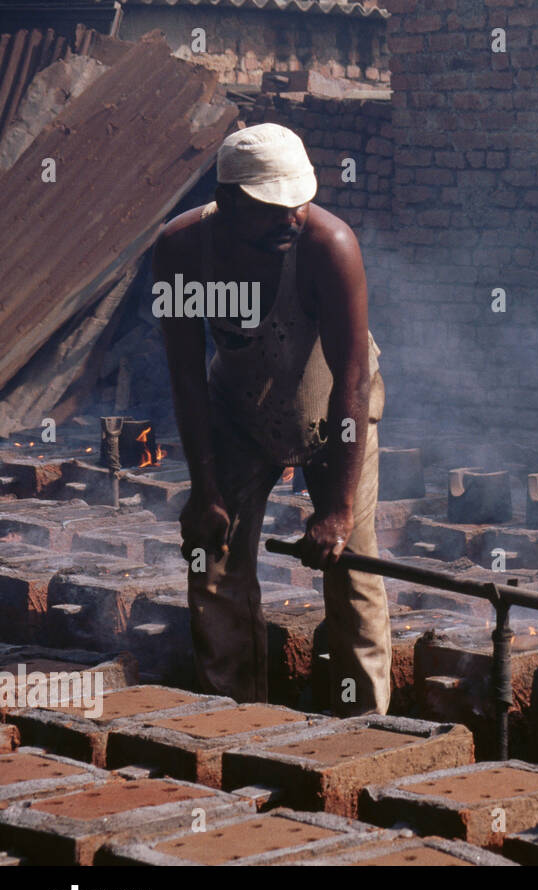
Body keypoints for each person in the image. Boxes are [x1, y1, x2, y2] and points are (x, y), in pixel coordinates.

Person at [153, 123, 391, 715]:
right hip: (238, 413)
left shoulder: (328, 247)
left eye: (298, 202)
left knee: (354, 574)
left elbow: (352, 383)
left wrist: (335, 510)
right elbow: (184, 374)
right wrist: (205, 491)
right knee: (212, 561)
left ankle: (367, 727)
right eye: (273, 207)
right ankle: (234, 722)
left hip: (334, 414)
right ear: (229, 200)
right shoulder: (183, 249)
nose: (291, 217)